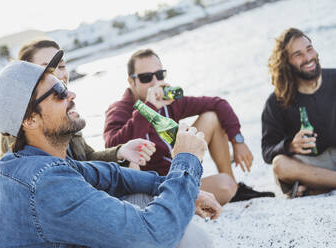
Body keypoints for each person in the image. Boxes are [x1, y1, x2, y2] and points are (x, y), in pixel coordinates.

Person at [0, 51, 222, 247]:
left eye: (62, 85)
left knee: (144, 198)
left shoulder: (31, 160)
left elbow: (111, 175)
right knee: (191, 240)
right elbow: (155, 235)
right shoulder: (46, 183)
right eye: (58, 93)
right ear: (30, 120)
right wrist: (186, 159)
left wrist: (186, 189)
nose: (71, 93)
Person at [104, 49, 275, 204]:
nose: (155, 82)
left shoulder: (168, 102)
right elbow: (113, 147)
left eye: (160, 74)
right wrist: (149, 106)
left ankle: (235, 191)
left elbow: (217, 103)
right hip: (155, 190)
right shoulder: (120, 109)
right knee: (225, 186)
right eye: (146, 78)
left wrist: (237, 140)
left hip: (179, 171)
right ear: (131, 81)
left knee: (211, 117)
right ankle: (186, 202)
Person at [0, 40, 149, 167]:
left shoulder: (67, 109)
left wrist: (119, 152)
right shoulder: (24, 128)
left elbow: (86, 156)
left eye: (62, 66)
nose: (59, 75)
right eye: (47, 69)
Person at [262, 27, 336, 197]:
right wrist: (290, 145)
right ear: (286, 62)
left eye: (309, 49)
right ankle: (322, 184)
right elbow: (267, 151)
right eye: (298, 54)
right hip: (313, 166)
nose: (308, 57)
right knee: (280, 164)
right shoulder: (276, 102)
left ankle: (316, 188)